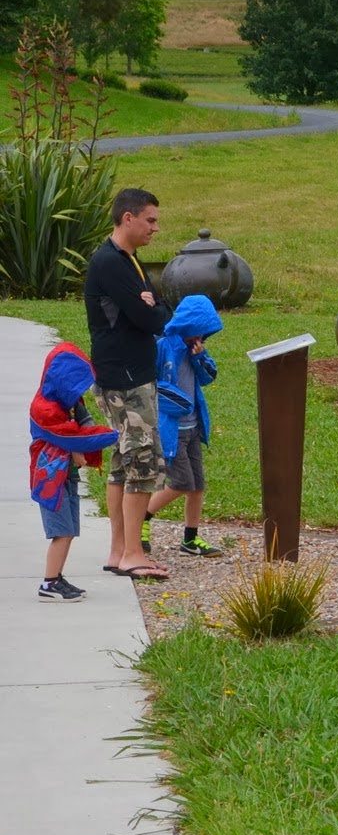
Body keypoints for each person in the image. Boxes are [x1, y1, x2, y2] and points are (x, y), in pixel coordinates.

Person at [83, 187, 172, 580]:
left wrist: (154, 304)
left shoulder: (128, 259)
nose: (156, 227)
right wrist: (153, 305)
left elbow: (158, 307)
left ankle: (120, 551)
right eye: (150, 220)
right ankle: (133, 553)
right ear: (128, 218)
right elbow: (151, 318)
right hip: (125, 378)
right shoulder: (110, 263)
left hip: (130, 374)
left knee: (123, 463)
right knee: (141, 462)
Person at [28, 342, 119, 601]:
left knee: (70, 530)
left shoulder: (67, 398)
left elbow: (83, 420)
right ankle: (48, 584)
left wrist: (82, 436)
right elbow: (73, 437)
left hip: (67, 475)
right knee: (62, 532)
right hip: (50, 480)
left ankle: (57, 577)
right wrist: (116, 434)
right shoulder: (44, 409)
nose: (77, 392)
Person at [141, 294, 225, 558]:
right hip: (172, 430)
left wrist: (200, 357)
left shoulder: (195, 350)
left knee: (197, 485)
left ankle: (190, 538)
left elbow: (209, 377)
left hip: (193, 427)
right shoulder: (165, 345)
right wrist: (179, 403)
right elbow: (152, 384)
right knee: (181, 482)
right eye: (197, 331)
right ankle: (142, 518)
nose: (199, 337)